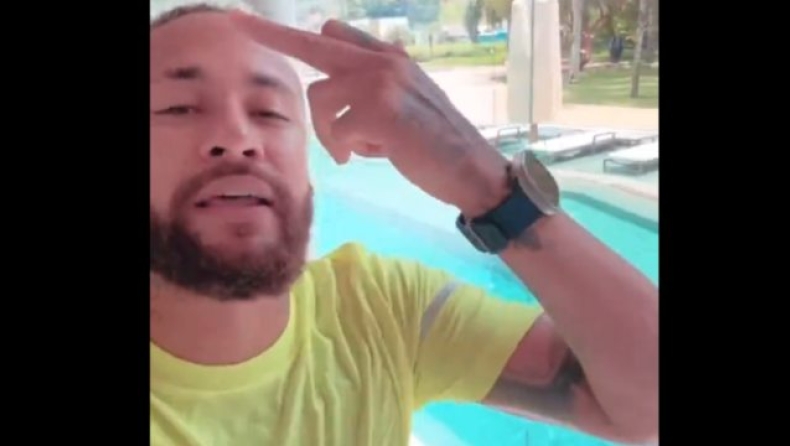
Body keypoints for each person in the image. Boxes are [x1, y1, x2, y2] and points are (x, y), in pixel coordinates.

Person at [150, 4, 658, 446]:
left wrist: (486, 184)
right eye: (178, 107)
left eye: (269, 112)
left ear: (307, 172)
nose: (238, 137)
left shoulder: (378, 312)